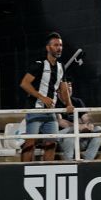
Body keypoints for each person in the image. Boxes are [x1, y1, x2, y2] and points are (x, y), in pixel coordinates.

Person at [19, 32, 73, 162]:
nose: (59, 48)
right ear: (48, 48)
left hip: (51, 112)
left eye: (60, 45)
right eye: (56, 45)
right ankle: (23, 172)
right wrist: (41, 97)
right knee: (30, 144)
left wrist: (69, 104)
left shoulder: (61, 67)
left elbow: (64, 88)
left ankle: (47, 170)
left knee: (51, 144)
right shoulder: (39, 64)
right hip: (35, 110)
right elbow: (24, 83)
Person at [56, 80, 101, 162]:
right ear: (58, 90)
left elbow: (86, 118)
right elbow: (60, 122)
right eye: (66, 86)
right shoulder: (55, 102)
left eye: (70, 86)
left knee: (99, 130)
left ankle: (88, 159)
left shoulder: (77, 101)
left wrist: (89, 124)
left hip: (78, 137)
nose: (69, 88)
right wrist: (79, 127)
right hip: (62, 139)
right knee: (71, 134)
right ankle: (69, 162)